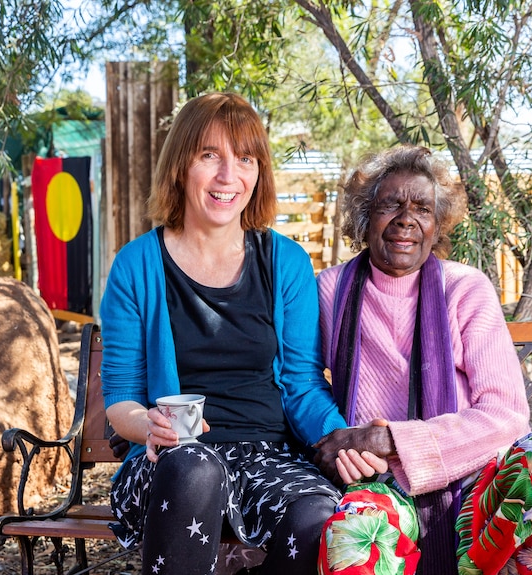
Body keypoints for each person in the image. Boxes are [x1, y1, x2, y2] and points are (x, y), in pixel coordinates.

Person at [313, 146, 532, 575]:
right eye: (390, 205)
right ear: (365, 218)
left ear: (437, 226)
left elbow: (507, 416)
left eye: (422, 208)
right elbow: (298, 378)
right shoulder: (330, 290)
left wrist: (391, 440)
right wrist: (337, 442)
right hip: (379, 484)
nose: (406, 219)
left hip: (476, 483)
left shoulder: (465, 288)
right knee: (353, 530)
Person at [100, 92, 347, 575]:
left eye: (245, 158)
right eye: (209, 155)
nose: (228, 175)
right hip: (171, 461)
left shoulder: (286, 263)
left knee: (315, 513)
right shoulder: (137, 265)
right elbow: (122, 397)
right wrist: (148, 424)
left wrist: (341, 439)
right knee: (196, 471)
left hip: (268, 457)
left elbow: (302, 384)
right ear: (180, 166)